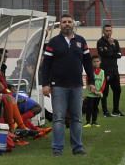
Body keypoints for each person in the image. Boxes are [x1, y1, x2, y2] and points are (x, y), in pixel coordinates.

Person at [40, 13, 95, 156]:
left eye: (69, 22)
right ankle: (57, 149)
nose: (67, 24)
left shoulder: (81, 41)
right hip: (58, 86)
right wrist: (45, 84)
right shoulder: (53, 42)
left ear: (73, 24)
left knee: (77, 118)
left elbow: (88, 62)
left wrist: (92, 81)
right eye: (64, 22)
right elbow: (46, 65)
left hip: (76, 86)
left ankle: (77, 147)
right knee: (58, 118)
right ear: (60, 25)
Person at [96, 24, 124, 117]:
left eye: (110, 30)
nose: (108, 32)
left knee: (117, 90)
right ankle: (105, 111)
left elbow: (119, 54)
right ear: (103, 31)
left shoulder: (115, 41)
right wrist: (112, 48)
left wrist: (111, 49)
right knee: (105, 91)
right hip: (105, 70)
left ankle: (116, 110)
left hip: (114, 70)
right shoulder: (100, 42)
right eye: (107, 30)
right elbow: (104, 54)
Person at [84, 55, 106, 128]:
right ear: (91, 63)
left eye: (97, 61)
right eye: (94, 62)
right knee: (89, 108)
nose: (96, 63)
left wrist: (100, 91)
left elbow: (103, 83)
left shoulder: (102, 72)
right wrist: (94, 91)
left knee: (95, 108)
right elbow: (88, 83)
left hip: (98, 94)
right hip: (91, 94)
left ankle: (94, 121)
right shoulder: (90, 72)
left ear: (100, 62)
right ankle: (88, 122)